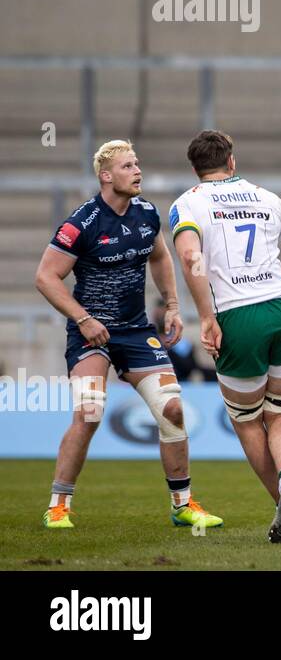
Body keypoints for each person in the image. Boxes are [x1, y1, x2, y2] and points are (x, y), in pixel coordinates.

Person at [35, 140, 222, 532]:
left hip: (136, 330)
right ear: (106, 176)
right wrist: (84, 319)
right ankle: (58, 505)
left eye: (137, 164)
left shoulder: (146, 214)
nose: (137, 171)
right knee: (89, 410)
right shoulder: (81, 223)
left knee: (172, 409)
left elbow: (159, 256)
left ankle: (183, 505)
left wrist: (172, 305)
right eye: (127, 166)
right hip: (91, 333)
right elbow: (46, 277)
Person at [171, 130, 281, 544]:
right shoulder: (266, 197)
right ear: (232, 162)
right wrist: (275, 276)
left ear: (195, 169)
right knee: (280, 416)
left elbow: (190, 257)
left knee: (246, 422)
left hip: (238, 318)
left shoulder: (188, 203)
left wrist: (206, 317)